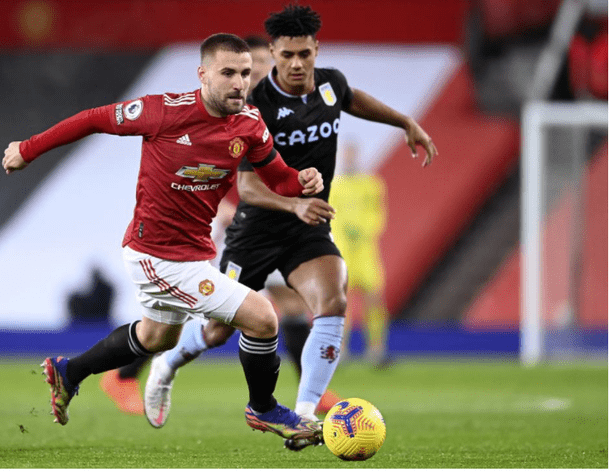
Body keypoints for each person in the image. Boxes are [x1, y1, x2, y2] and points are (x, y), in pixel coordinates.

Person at [1, 33, 325, 443]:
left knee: (158, 337)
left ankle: (70, 372)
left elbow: (278, 177)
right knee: (262, 316)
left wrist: (302, 180)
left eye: (245, 73)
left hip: (191, 255)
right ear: (203, 74)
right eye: (228, 73)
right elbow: (91, 119)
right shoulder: (162, 112)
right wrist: (27, 149)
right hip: (156, 255)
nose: (240, 83)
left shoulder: (250, 123)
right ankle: (264, 409)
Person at [145, 5, 438, 451]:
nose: (297, 64)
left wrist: (405, 122)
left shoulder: (330, 84)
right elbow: (245, 185)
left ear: (316, 50)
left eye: (305, 54)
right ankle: (168, 363)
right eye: (287, 56)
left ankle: (304, 414)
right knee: (219, 329)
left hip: (307, 228)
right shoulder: (255, 105)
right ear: (275, 54)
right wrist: (291, 205)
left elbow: (352, 98)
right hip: (256, 230)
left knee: (333, 299)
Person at [97, 34, 277, 417]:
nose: (257, 73)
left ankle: (310, 393)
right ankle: (148, 369)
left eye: (262, 66)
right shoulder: (229, 110)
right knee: (227, 324)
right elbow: (223, 172)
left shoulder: (259, 112)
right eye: (251, 65)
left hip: (269, 225)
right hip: (234, 228)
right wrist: (232, 207)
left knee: (283, 307)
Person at [329, 140, 389, 366]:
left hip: (366, 252)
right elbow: (329, 216)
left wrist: (364, 229)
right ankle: (341, 350)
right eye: (346, 154)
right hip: (342, 253)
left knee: (373, 298)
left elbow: (379, 213)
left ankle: (377, 349)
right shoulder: (335, 185)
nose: (349, 158)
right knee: (341, 302)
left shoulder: (372, 184)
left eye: (352, 153)